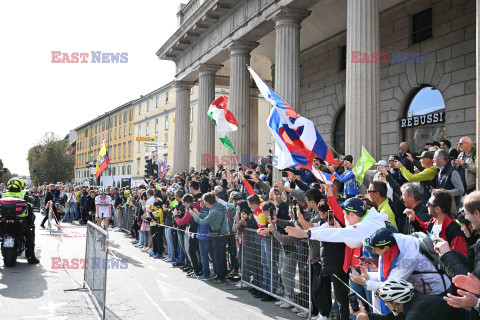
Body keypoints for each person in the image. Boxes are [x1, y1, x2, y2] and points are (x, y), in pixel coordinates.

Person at [350, 278, 466, 320]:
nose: (385, 305)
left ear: (396, 304)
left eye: (386, 302)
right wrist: (368, 316)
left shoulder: (416, 311)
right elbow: (391, 318)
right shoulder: (413, 300)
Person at [407, 189, 467, 256]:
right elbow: (423, 228)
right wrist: (413, 219)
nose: (426, 205)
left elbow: (460, 257)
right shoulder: (433, 222)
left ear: (437, 209)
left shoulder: (454, 230)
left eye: (429, 204)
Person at [191, 192, 230, 285]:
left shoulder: (215, 211)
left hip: (219, 235)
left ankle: (221, 277)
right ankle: (221, 275)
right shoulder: (217, 207)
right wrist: (199, 214)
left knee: (219, 257)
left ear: (207, 202)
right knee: (219, 257)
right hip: (220, 234)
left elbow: (204, 222)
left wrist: (194, 215)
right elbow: (209, 218)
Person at [1, 178, 39, 264]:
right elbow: (31, 201)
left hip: (5, 222)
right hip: (20, 221)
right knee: (29, 235)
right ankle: (31, 257)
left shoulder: (4, 194)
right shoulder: (23, 194)